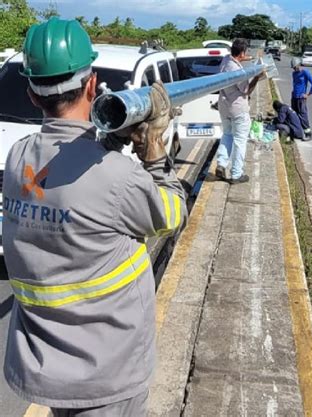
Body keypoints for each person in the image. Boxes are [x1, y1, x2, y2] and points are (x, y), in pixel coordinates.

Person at [2, 17, 187, 417]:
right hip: (107, 375)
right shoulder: (117, 178)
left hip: (47, 366)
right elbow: (172, 214)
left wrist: (112, 138)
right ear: (92, 84)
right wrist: (155, 156)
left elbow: (68, 168)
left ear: (33, 95)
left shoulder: (18, 159)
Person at [215, 38, 260, 184]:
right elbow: (246, 90)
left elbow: (237, 58)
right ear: (241, 53)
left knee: (227, 134)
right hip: (238, 108)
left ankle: (221, 163)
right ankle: (236, 174)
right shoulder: (238, 71)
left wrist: (250, 58)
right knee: (240, 140)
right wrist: (257, 77)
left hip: (224, 106)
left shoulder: (225, 61)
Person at [290, 57, 312, 140]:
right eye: (293, 67)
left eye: (295, 66)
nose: (295, 68)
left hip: (301, 98)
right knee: (294, 115)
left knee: (303, 116)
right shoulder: (294, 74)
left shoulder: (305, 72)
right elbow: (295, 84)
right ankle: (297, 132)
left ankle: (308, 134)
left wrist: (308, 94)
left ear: (299, 64)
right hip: (294, 97)